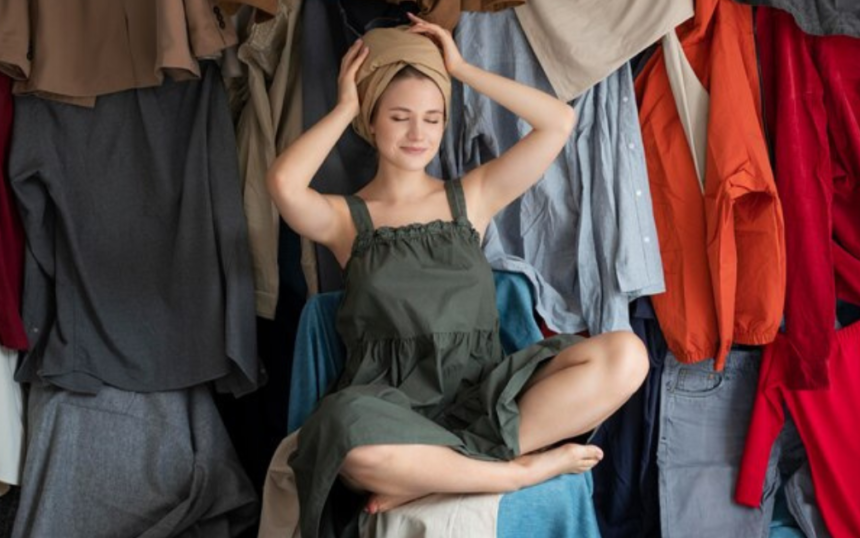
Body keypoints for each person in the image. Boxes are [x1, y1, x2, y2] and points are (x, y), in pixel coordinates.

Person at [267, 14, 649, 535]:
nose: (418, 133)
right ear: (372, 121)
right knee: (344, 437)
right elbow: (284, 184)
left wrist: (463, 69)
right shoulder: (344, 220)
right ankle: (511, 473)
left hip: (485, 395)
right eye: (399, 116)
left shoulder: (471, 197)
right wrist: (343, 106)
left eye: (432, 117)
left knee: (627, 356)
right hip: (390, 409)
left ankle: (435, 475)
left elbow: (558, 121)